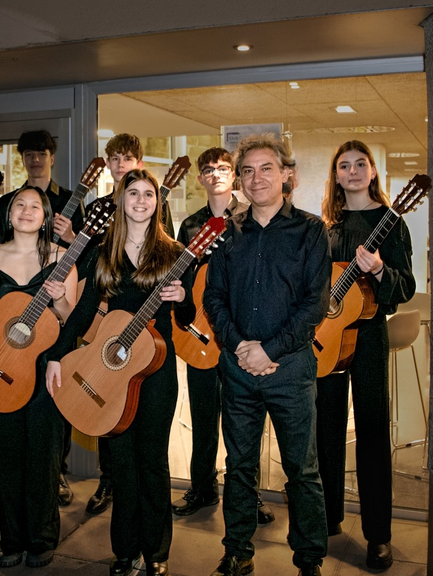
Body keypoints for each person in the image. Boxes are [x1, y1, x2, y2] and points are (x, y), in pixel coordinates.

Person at [47, 169, 195, 576]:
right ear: (121, 199)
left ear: (157, 202)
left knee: (152, 462)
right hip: (110, 373)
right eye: (134, 193)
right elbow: (78, 315)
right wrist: (58, 356)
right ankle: (125, 550)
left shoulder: (175, 252)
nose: (142, 200)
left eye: (149, 194)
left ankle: (157, 553)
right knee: (122, 463)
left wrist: (182, 298)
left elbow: (188, 316)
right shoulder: (102, 254)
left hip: (156, 373)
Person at [202, 133, 330, 576]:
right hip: (237, 370)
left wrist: (268, 350)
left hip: (290, 370)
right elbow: (213, 298)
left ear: (287, 175)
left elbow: (314, 305)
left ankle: (309, 558)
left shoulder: (311, 231)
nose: (256, 178)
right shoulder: (225, 232)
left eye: (266, 168)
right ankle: (237, 550)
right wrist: (240, 346)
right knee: (238, 467)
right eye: (248, 170)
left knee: (302, 470)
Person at [0, 186, 77, 568]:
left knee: (44, 454)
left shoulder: (62, 257)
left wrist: (58, 298)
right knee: (8, 455)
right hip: (0, 366)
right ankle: (11, 539)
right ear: (8, 215)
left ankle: (41, 538)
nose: (26, 211)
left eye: (35, 206)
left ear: (46, 216)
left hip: (45, 369)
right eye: (19, 205)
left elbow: (71, 320)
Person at [315, 140, 416, 570]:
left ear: (373, 171)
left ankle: (378, 535)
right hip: (327, 337)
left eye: (360, 164)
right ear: (336, 176)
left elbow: (406, 286)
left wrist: (379, 270)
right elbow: (317, 284)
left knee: (372, 431)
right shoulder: (328, 226)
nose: (353, 171)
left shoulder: (391, 224)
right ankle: (328, 517)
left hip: (370, 336)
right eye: (344, 165)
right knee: (327, 428)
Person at [173, 147, 278, 524]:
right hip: (202, 333)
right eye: (207, 170)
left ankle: (247, 496)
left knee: (243, 423)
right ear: (200, 179)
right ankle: (201, 488)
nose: (214, 174)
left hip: (241, 336)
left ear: (233, 176)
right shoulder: (189, 225)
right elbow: (183, 281)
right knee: (203, 418)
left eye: (222, 168)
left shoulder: (250, 217)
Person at [0, 129, 84, 505]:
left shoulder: (66, 212)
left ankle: (50, 488)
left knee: (46, 435)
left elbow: (81, 274)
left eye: (41, 152)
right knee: (9, 438)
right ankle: (12, 509)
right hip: (5, 345)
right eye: (28, 153)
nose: (35, 159)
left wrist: (64, 297)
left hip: (48, 346)